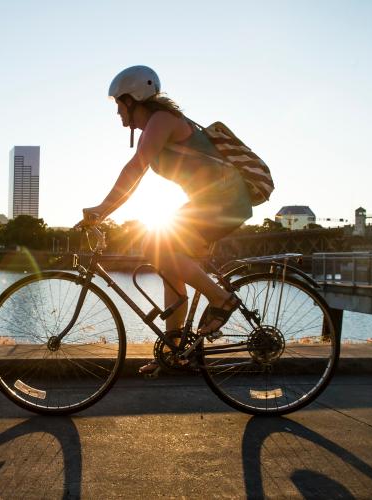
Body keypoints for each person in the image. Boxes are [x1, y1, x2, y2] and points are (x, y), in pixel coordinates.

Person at [81, 65, 253, 374]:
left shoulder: (162, 120)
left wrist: (102, 210)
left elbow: (135, 168)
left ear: (133, 99)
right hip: (210, 201)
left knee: (155, 244)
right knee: (167, 261)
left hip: (224, 200)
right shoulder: (157, 126)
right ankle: (175, 351)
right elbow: (137, 174)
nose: (118, 112)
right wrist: (105, 209)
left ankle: (222, 300)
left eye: (120, 104)